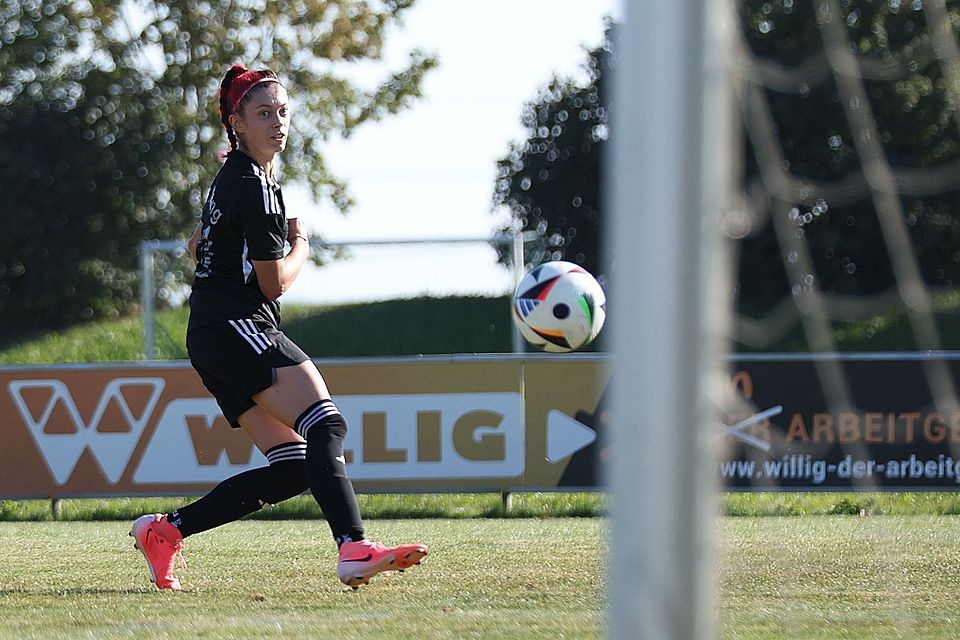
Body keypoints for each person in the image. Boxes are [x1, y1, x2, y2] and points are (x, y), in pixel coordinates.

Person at [130, 63, 427, 591]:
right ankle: (354, 547)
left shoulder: (233, 177)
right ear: (236, 123)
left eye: (283, 112)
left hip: (209, 334)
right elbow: (273, 286)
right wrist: (302, 246)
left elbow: (199, 247)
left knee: (294, 467)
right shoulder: (258, 188)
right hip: (238, 324)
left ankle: (166, 531)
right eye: (263, 113)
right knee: (326, 425)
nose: (278, 122)